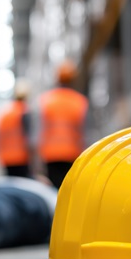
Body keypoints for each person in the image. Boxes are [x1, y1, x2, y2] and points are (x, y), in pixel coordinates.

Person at [38, 60, 88, 188]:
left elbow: (39, 129)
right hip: (72, 154)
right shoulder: (80, 101)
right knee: (69, 189)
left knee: (54, 189)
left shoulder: (45, 100)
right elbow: (85, 131)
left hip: (50, 154)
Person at [0, 80, 33, 178]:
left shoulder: (5, 112)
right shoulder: (24, 111)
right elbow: (28, 136)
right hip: (20, 157)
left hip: (5, 157)